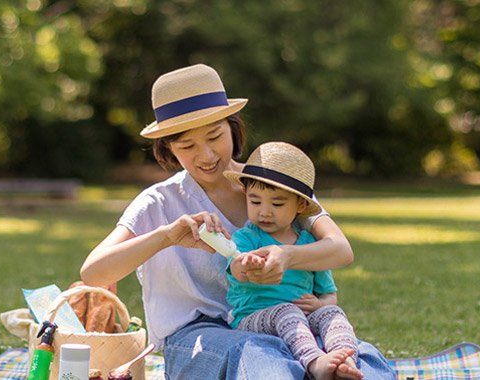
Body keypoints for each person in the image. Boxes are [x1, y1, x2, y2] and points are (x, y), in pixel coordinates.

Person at [80, 64, 395, 379]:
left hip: (286, 325)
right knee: (260, 356)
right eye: (187, 146)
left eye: (215, 136)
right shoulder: (159, 202)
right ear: (169, 149)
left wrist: (288, 256)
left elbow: (340, 249)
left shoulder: (274, 185)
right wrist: (167, 236)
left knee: (356, 355)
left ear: (233, 127)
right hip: (198, 338)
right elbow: (93, 273)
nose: (206, 155)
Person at [223, 142, 364, 380]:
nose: (264, 211)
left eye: (277, 204)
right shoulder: (245, 238)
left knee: (333, 313)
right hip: (252, 318)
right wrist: (246, 265)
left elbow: (328, 294)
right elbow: (235, 267)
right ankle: (315, 363)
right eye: (255, 202)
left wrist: (321, 305)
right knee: (286, 311)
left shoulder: (309, 245)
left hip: (303, 318)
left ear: (299, 205)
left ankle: (344, 358)